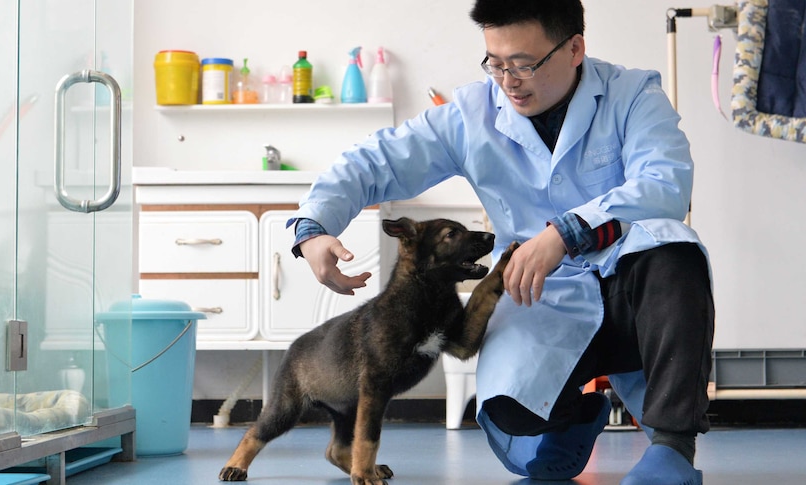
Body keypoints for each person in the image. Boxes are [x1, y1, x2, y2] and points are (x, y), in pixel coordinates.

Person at [287, 0, 715, 483]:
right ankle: (571, 417)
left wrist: (566, 232)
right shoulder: (472, 114)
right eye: (495, 62)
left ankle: (673, 451)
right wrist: (313, 227)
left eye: (524, 64)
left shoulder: (633, 94)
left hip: (631, 292)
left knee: (674, 249)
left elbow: (665, 184)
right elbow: (374, 161)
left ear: (574, 48)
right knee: (509, 416)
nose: (508, 80)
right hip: (541, 295)